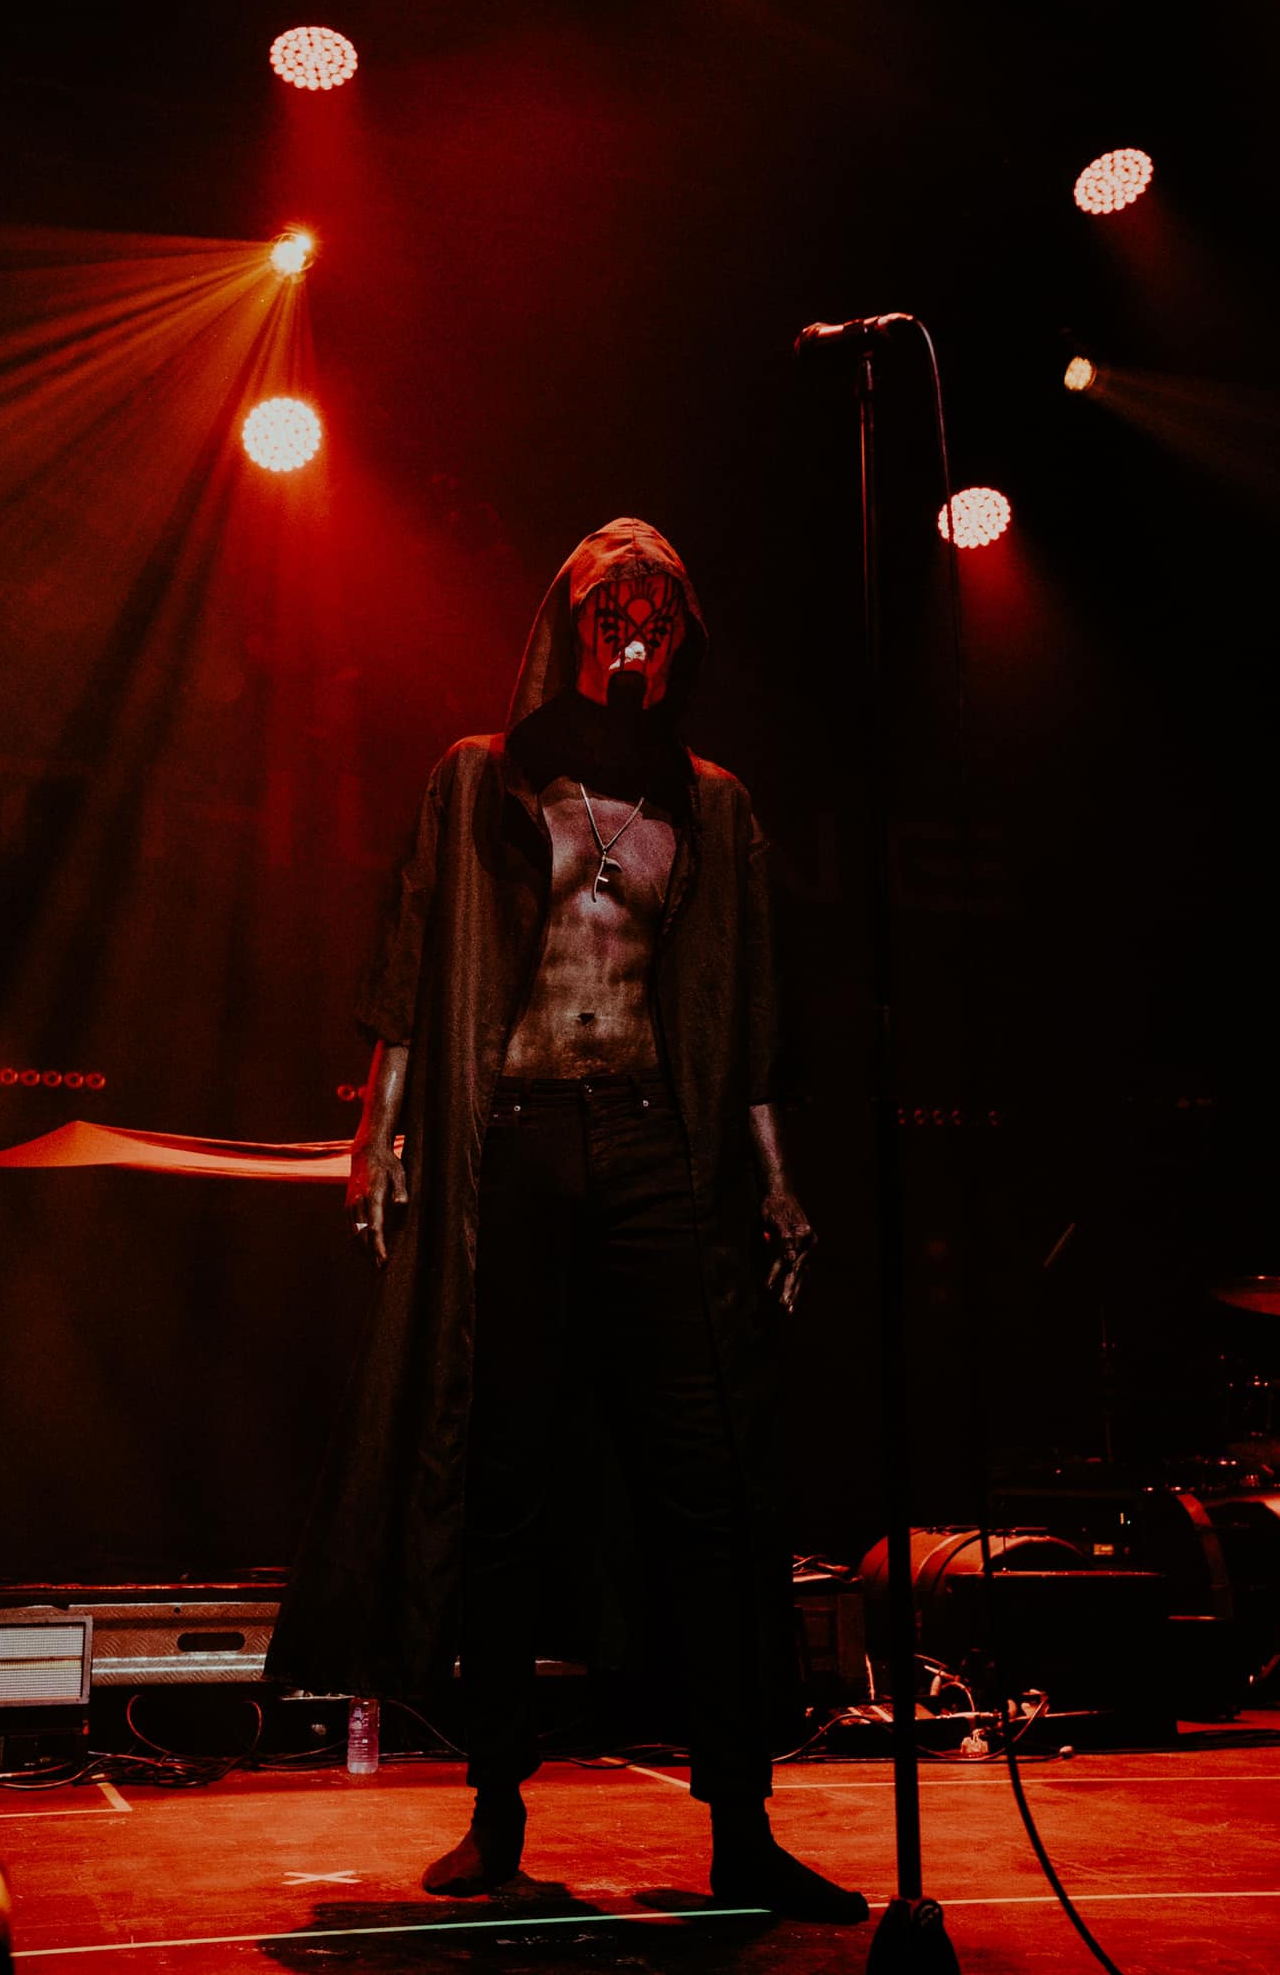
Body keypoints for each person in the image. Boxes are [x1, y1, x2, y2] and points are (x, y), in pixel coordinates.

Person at [266, 518, 866, 1923]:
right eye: (611, 598)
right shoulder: (484, 778)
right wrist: (375, 1134)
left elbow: (742, 1008)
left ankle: (740, 1826)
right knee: (502, 1479)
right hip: (519, 1141)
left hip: (656, 1143)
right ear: (569, 620)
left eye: (658, 601)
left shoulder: (711, 805)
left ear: (683, 628)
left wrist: (776, 1178)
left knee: (708, 1479)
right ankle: (495, 1813)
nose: (633, 619)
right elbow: (416, 951)